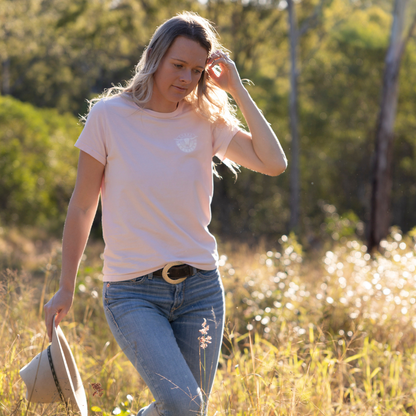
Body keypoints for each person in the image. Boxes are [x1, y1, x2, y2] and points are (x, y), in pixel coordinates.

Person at [44, 11, 287, 416]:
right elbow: (83, 206)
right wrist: (66, 286)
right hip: (132, 292)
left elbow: (274, 162)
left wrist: (237, 91)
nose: (186, 78)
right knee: (183, 406)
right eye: (178, 65)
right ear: (155, 57)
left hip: (202, 291)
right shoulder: (108, 117)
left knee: (188, 412)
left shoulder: (206, 119)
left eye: (196, 70)